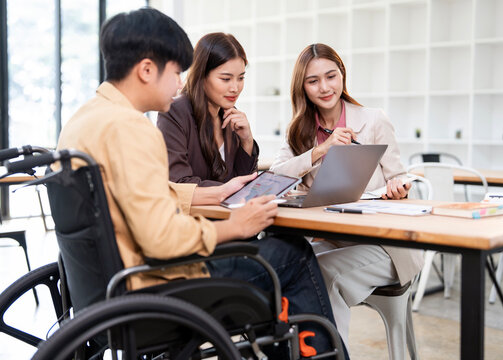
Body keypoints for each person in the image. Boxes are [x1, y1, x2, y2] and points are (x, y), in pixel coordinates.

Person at [55, 9, 342, 356]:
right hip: (153, 288)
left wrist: (217, 192)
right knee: (293, 254)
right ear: (146, 70)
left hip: (102, 289)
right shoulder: (131, 128)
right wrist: (235, 225)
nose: (180, 83)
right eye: (176, 72)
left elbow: (130, 192)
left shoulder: (84, 121)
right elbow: (161, 238)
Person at [270, 43, 424, 348]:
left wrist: (399, 190)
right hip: (335, 239)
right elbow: (276, 178)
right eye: (313, 81)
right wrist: (319, 151)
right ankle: (298, 353)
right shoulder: (299, 132)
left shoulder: (373, 120)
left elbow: (401, 180)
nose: (325, 87)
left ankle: (329, 355)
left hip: (387, 246)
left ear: (342, 74)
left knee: (324, 274)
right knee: (286, 268)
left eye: (331, 76)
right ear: (302, 87)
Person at [157, 32, 258, 186]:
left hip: (227, 210)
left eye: (241, 78)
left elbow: (243, 181)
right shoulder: (174, 112)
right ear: (201, 75)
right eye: (225, 79)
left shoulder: (230, 115)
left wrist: (246, 140)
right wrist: (229, 189)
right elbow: (179, 183)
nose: (235, 88)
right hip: (192, 210)